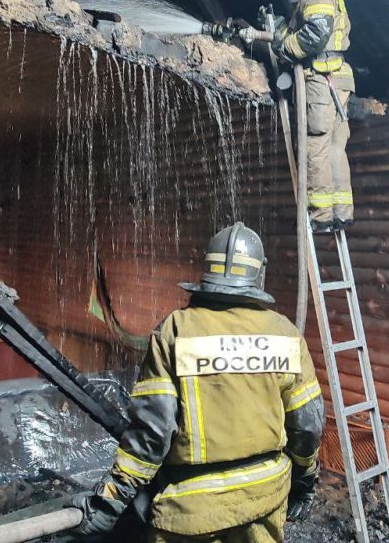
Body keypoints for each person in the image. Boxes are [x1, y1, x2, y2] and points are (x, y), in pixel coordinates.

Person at [72, 223, 324, 542]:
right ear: (259, 273)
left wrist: (111, 498)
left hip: (190, 510)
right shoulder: (285, 333)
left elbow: (152, 431)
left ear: (207, 269)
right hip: (265, 498)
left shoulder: (175, 331)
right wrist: (304, 481)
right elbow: (308, 425)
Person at [271, 0, 355, 233]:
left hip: (321, 80)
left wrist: (285, 46)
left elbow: (315, 35)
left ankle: (321, 216)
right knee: (335, 147)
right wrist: (283, 28)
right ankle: (341, 213)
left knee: (315, 146)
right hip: (339, 77)